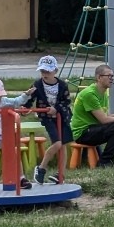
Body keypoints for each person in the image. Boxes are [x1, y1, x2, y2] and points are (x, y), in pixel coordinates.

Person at [71, 64, 114, 167]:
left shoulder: (102, 93)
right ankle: (105, 161)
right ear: (99, 77)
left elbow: (106, 115)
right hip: (83, 133)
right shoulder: (90, 94)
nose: (112, 78)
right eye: (109, 76)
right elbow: (104, 120)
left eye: (113, 76)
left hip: (93, 128)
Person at [24, 55, 73, 185]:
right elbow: (30, 98)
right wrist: (25, 108)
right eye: (42, 71)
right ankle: (41, 168)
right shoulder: (37, 84)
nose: (44, 74)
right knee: (57, 143)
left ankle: (60, 174)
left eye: (47, 71)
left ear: (55, 71)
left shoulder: (62, 85)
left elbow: (66, 101)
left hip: (62, 117)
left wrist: (56, 109)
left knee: (63, 146)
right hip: (47, 118)